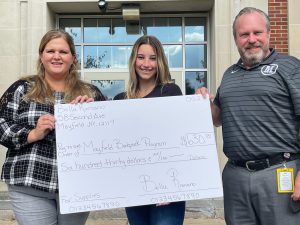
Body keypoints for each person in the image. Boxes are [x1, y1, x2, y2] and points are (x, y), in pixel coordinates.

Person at [197, 7, 300, 225]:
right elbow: (217, 119)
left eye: (257, 33)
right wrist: (201, 102)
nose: (251, 40)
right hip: (236, 176)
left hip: (280, 172)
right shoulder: (229, 74)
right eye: (244, 34)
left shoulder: (290, 67)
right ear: (236, 39)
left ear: (268, 34)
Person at [0, 29, 105, 225]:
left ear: (73, 57)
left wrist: (92, 118)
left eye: (63, 52)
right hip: (30, 181)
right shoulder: (22, 88)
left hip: (78, 186)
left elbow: (108, 138)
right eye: (50, 51)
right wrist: (32, 133)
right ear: (41, 56)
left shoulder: (91, 93)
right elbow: (1, 124)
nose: (57, 56)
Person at [114, 35, 185, 225]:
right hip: (133, 188)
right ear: (133, 61)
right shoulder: (120, 100)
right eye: (141, 57)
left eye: (153, 58)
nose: (147, 64)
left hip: (167, 188)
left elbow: (179, 140)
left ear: (160, 62)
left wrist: (172, 185)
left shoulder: (171, 92)